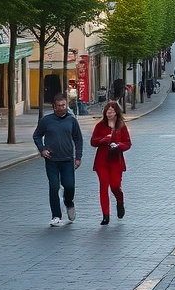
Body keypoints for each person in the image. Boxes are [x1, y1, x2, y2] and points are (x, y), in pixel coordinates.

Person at [33, 92, 84, 227]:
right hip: (52, 160)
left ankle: (69, 202)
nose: (62, 108)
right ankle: (56, 216)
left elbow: (78, 139)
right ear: (54, 107)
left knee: (69, 185)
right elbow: (37, 135)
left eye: (64, 105)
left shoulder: (71, 120)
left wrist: (78, 157)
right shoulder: (46, 120)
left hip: (67, 160)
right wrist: (42, 149)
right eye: (59, 105)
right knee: (54, 186)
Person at [90, 101, 131, 225]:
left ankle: (120, 201)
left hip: (115, 160)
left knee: (115, 185)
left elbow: (127, 143)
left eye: (111, 112)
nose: (109, 114)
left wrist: (118, 145)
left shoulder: (121, 126)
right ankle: (105, 215)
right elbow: (93, 142)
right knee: (104, 186)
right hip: (102, 161)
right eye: (107, 112)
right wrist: (102, 140)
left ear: (116, 113)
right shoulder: (100, 126)